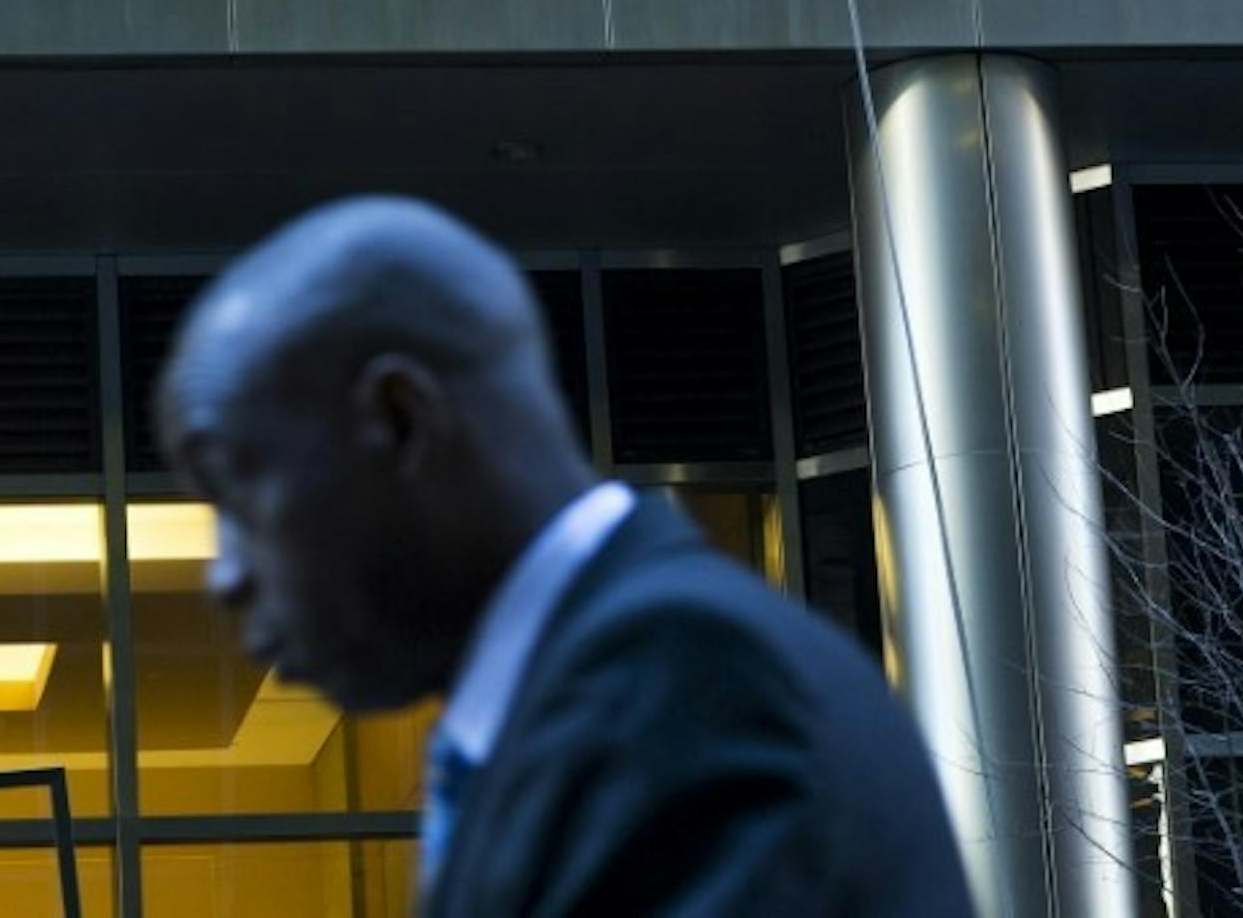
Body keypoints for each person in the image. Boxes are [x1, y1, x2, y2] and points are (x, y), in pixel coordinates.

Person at [155, 196, 974, 916]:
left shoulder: (685, 683)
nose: (223, 576)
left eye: (238, 493)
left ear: (402, 420)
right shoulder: (625, 688)